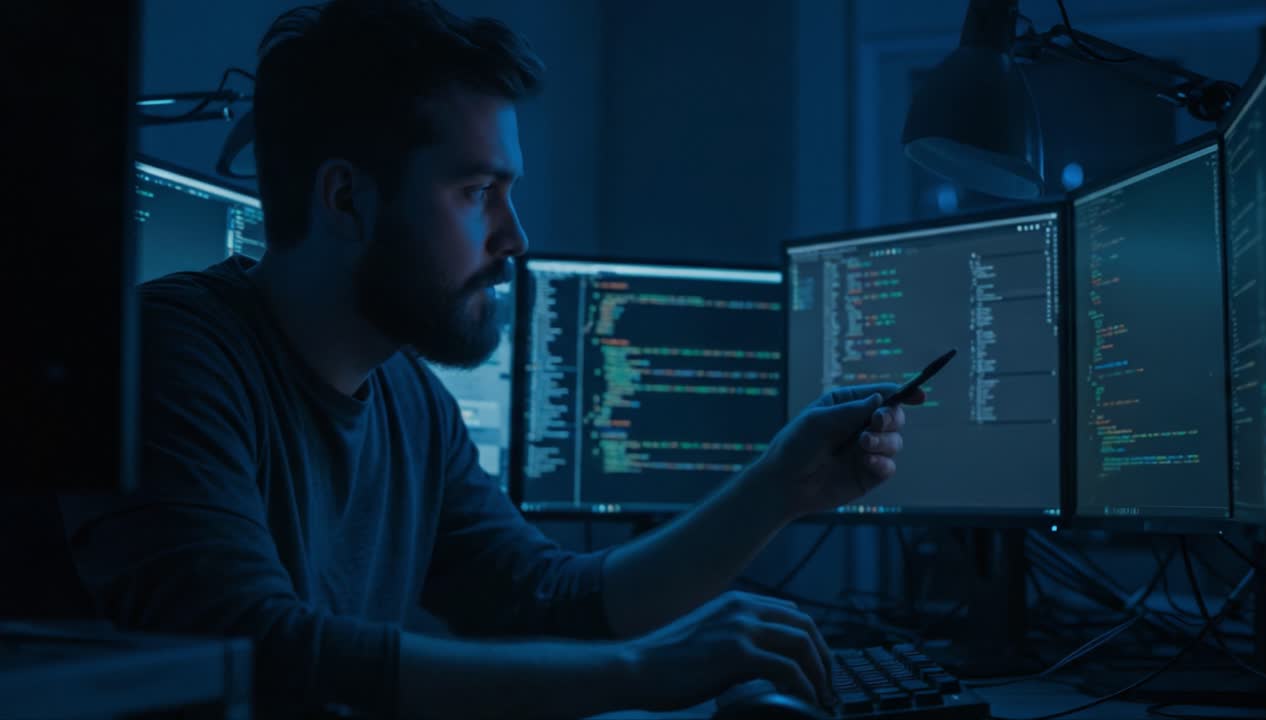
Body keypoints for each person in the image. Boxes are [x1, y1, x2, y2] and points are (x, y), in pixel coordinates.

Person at [60, 1, 923, 717]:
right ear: (346, 199)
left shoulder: (407, 398)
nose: (517, 239)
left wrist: (781, 487)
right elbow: (256, 653)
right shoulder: (169, 355)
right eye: (478, 193)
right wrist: (651, 671)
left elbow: (556, 599)